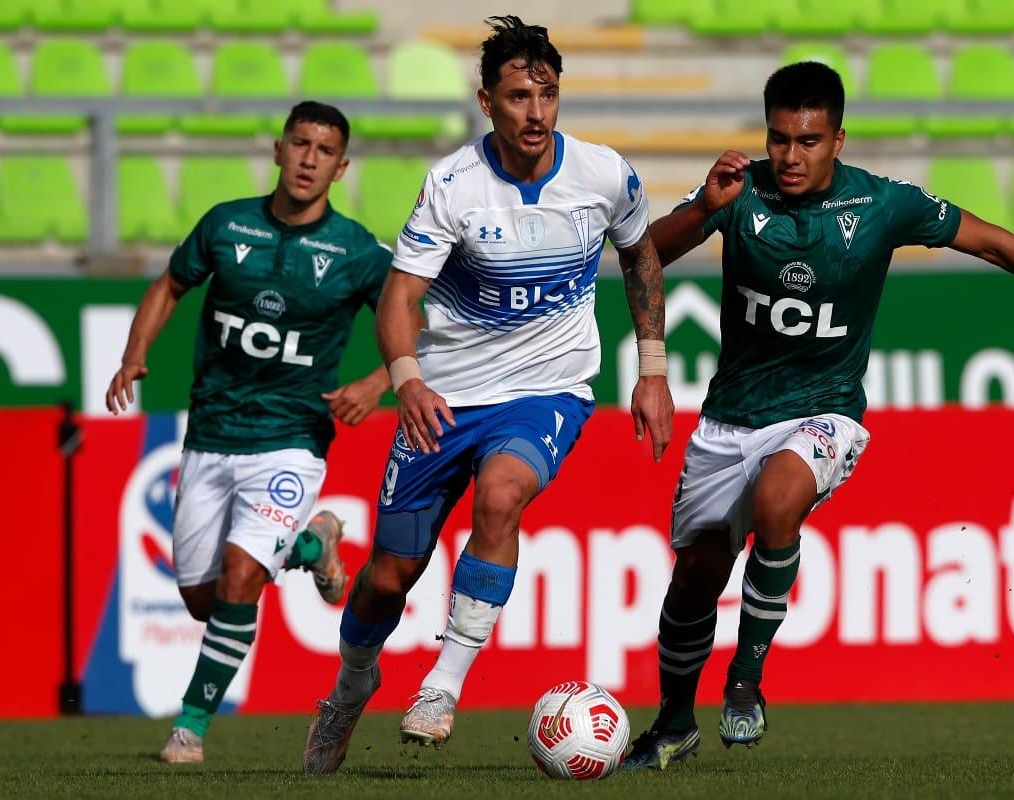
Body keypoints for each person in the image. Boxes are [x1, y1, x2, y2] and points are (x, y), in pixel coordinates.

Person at [621, 61, 1014, 770]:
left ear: (837, 138)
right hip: (729, 420)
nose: (790, 157)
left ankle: (746, 681)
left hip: (826, 412)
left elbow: (991, 239)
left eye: (807, 141)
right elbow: (645, 255)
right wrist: (705, 208)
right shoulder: (738, 192)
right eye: (778, 140)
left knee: (778, 501)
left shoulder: (882, 204)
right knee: (696, 577)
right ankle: (675, 723)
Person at [301, 15, 674, 773]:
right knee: (386, 576)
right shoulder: (453, 184)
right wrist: (404, 380)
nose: (535, 113)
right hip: (444, 392)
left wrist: (654, 368)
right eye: (517, 97)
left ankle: (441, 685)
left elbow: (642, 256)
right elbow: (400, 296)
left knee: (502, 498)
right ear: (486, 103)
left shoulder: (602, 173)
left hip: (549, 387)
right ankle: (349, 689)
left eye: (547, 94)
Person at [105, 101, 396, 765]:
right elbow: (167, 286)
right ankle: (311, 543)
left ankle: (190, 729)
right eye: (300, 144)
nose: (309, 159)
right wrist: (134, 353)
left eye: (324, 150)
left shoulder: (355, 251)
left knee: (240, 575)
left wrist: (379, 381)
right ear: (278, 150)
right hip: (210, 433)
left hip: (293, 436)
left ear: (342, 167)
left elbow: (422, 326)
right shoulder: (226, 223)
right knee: (204, 601)